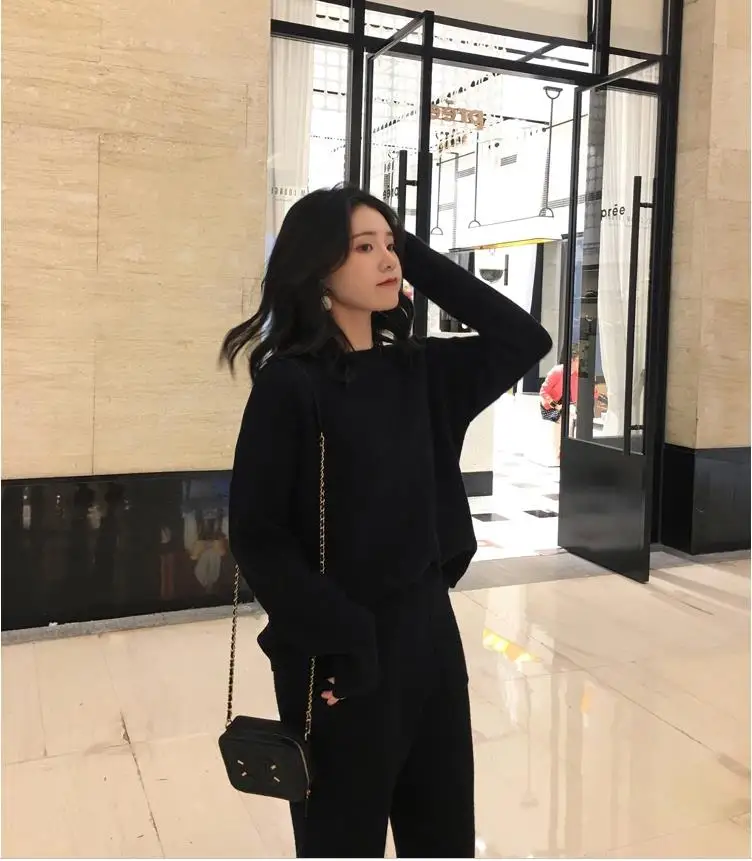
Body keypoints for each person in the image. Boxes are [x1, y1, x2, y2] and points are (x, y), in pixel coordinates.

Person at [221, 185, 552, 858]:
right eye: (363, 248)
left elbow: (524, 338)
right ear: (319, 269)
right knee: (342, 841)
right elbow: (257, 533)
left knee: (444, 836)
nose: (386, 259)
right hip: (339, 658)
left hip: (429, 639)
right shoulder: (292, 384)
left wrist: (412, 253)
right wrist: (343, 636)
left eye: (390, 245)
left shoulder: (420, 371)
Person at [539, 347, 579, 463]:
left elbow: (590, 391)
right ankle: (559, 453)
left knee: (575, 418)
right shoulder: (557, 372)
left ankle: (570, 451)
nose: (581, 363)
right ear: (572, 360)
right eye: (579, 360)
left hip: (568, 407)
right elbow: (543, 391)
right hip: (550, 407)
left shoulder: (577, 375)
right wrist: (555, 405)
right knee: (562, 420)